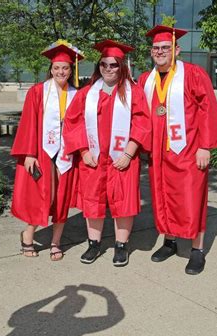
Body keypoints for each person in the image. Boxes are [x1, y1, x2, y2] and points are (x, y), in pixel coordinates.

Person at [138, 25, 217, 275]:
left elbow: (207, 109)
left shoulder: (193, 74)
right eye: (156, 48)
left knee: (192, 199)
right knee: (163, 197)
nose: (160, 52)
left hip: (188, 150)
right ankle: (170, 242)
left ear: (176, 50)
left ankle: (197, 250)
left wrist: (204, 146)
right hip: (158, 153)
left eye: (165, 47)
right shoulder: (146, 79)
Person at [63, 40, 151, 267]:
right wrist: (83, 152)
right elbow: (73, 123)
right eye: (104, 64)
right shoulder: (86, 94)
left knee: (123, 200)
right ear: (98, 66)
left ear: (122, 66)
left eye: (113, 65)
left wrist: (129, 153)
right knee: (93, 200)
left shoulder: (135, 93)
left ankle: (121, 246)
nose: (108, 69)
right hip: (93, 158)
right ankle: (94, 244)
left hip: (123, 158)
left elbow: (143, 124)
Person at [11, 40, 83, 261]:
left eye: (65, 68)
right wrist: (29, 153)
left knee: (61, 198)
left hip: (67, 154)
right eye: (57, 68)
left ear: (72, 70)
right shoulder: (37, 92)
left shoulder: (77, 94)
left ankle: (55, 242)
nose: (61, 71)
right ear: (50, 69)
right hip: (42, 152)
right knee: (41, 195)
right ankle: (28, 236)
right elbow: (29, 123)